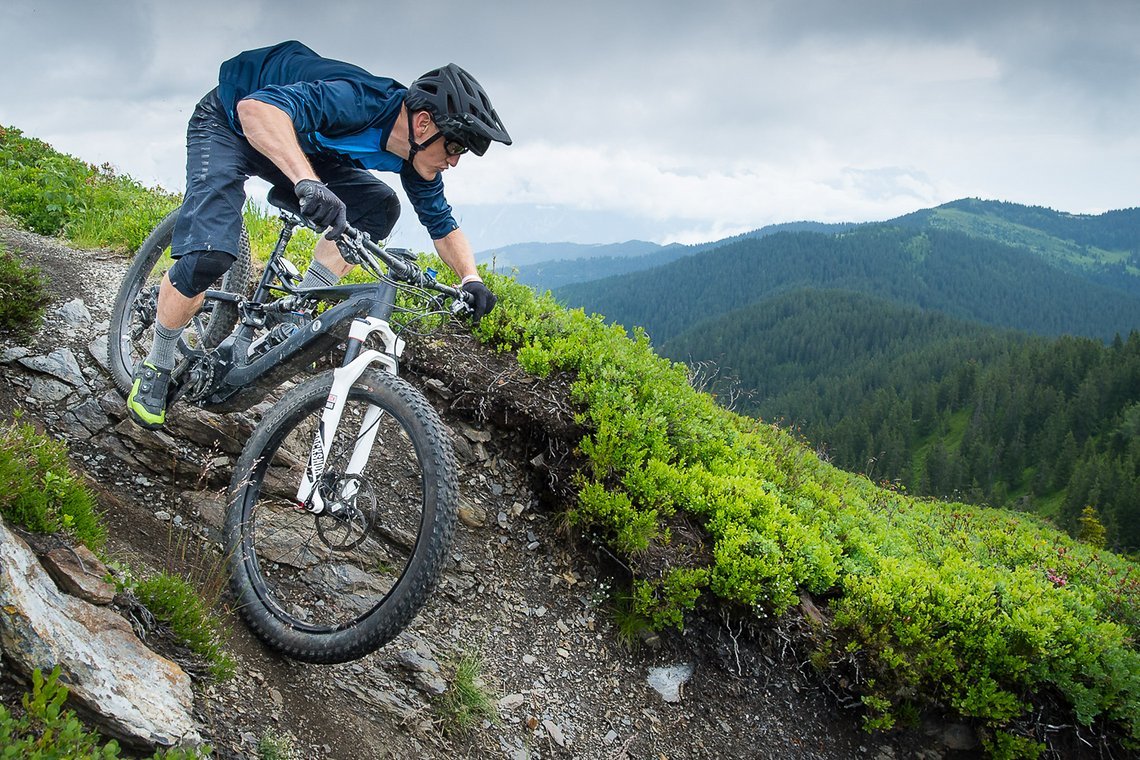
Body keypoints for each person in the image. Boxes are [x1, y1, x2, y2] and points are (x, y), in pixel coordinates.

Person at [127, 40, 511, 430]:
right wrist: (307, 181)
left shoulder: (417, 156)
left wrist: (471, 279)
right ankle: (155, 365)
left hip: (298, 142)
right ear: (424, 122)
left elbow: (442, 225)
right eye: (455, 145)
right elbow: (255, 110)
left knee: (379, 205)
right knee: (210, 254)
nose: (455, 160)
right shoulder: (359, 101)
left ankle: (298, 308)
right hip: (231, 122)